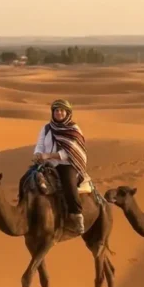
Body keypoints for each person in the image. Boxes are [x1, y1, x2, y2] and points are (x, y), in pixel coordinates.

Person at [33, 99, 88, 233]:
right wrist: (38, 154)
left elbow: (71, 151)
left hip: (67, 163)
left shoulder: (73, 129)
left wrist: (49, 155)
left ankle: (76, 216)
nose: (59, 113)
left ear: (68, 113)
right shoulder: (47, 128)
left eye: (62, 110)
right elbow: (40, 144)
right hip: (48, 164)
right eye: (56, 110)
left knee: (68, 183)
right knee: (29, 179)